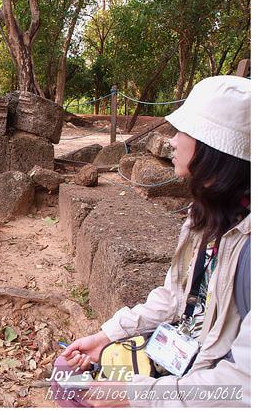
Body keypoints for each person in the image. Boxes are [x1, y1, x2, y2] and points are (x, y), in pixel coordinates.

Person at [54, 75, 250, 407]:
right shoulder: (205, 215)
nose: (171, 141)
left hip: (211, 379)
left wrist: (132, 395)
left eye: (183, 132)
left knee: (78, 392)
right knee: (66, 373)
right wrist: (108, 335)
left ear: (215, 148)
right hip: (182, 348)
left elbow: (245, 387)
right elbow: (175, 297)